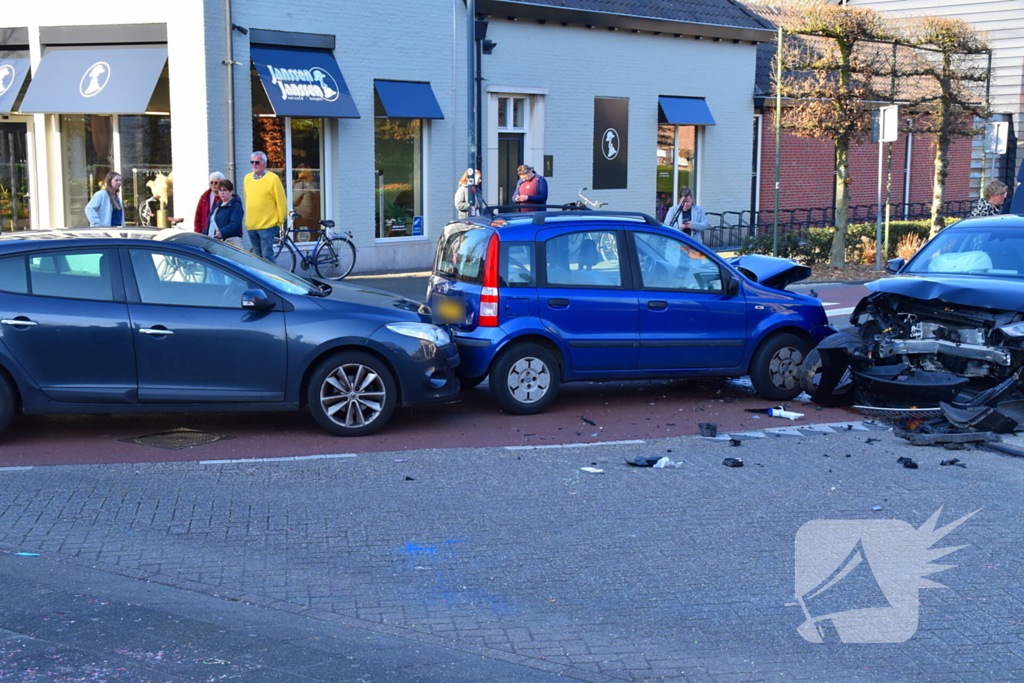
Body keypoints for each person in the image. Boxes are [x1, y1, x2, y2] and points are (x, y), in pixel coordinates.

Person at [243, 151, 287, 261]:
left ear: (264, 163)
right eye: (252, 162)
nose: (254, 164)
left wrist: (279, 222)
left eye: (257, 162)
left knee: (267, 258)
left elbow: (281, 202)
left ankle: (272, 278)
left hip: (267, 226)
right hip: (252, 226)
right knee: (258, 258)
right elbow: (247, 198)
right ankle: (259, 278)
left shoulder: (273, 179)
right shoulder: (247, 179)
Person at [207, 179, 245, 248]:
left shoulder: (236, 206)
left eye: (225, 190)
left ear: (231, 192)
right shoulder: (217, 206)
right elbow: (210, 224)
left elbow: (234, 224)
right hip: (216, 241)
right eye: (220, 190)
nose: (222, 193)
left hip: (231, 242)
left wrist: (222, 232)